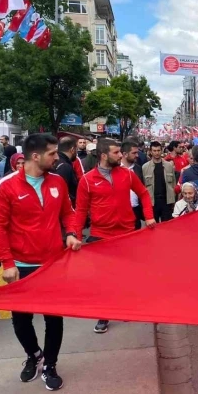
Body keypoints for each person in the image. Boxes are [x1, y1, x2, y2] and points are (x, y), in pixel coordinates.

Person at [0, 134, 82, 391]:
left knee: (54, 318)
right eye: (52, 154)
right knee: (21, 319)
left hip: (53, 263)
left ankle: (51, 364)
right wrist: (7, 263)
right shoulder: (6, 186)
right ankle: (33, 355)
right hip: (20, 265)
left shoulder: (57, 181)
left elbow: (68, 212)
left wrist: (72, 234)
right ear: (35, 156)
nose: (57, 158)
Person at [75, 140, 154, 334]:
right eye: (117, 152)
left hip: (126, 233)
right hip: (100, 235)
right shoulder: (86, 179)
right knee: (103, 279)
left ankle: (125, 307)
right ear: (103, 155)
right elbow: (80, 211)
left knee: (125, 274)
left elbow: (143, 194)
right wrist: (76, 236)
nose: (121, 155)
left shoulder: (127, 174)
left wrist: (149, 217)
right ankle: (104, 314)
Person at [142, 141, 176, 223]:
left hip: (167, 201)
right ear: (150, 151)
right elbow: (143, 187)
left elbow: (173, 184)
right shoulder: (145, 167)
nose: (157, 153)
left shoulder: (169, 166)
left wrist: (174, 201)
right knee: (153, 227)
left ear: (161, 150)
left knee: (168, 226)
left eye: (158, 150)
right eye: (154, 151)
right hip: (153, 202)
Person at [121, 141, 145, 229]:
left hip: (136, 210)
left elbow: (142, 190)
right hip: (121, 212)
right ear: (125, 154)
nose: (137, 155)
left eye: (137, 153)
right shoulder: (115, 169)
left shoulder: (138, 169)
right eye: (134, 153)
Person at [51, 137, 79, 208]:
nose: (76, 152)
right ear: (72, 150)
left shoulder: (56, 162)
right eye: (76, 149)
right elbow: (62, 192)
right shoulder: (64, 166)